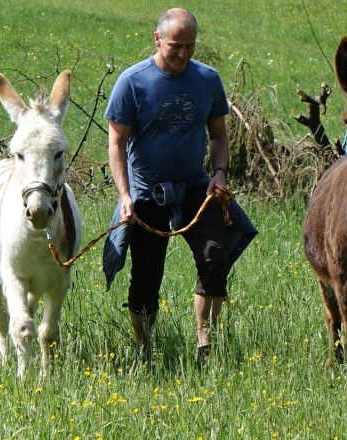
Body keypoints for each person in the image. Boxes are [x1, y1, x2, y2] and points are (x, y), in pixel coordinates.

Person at [102, 8, 257, 363]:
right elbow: (116, 143)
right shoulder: (132, 82)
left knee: (215, 256)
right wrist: (125, 197)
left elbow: (218, 134)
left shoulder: (207, 80)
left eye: (190, 46)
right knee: (146, 275)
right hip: (147, 193)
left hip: (196, 190)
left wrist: (220, 173)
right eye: (176, 46)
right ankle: (144, 348)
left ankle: (206, 345)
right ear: (158, 39)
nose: (184, 54)